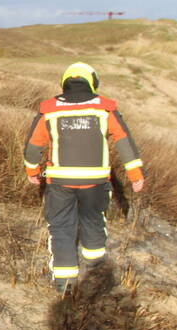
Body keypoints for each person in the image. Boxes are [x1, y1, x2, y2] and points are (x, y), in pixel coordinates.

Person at [23, 62, 145, 293]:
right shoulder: (104, 108)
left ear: (65, 82)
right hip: (95, 183)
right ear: (92, 82)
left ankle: (64, 284)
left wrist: (32, 171)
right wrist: (136, 175)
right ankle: (96, 271)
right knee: (93, 222)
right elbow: (124, 141)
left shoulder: (49, 109)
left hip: (59, 183)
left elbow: (33, 146)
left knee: (61, 229)